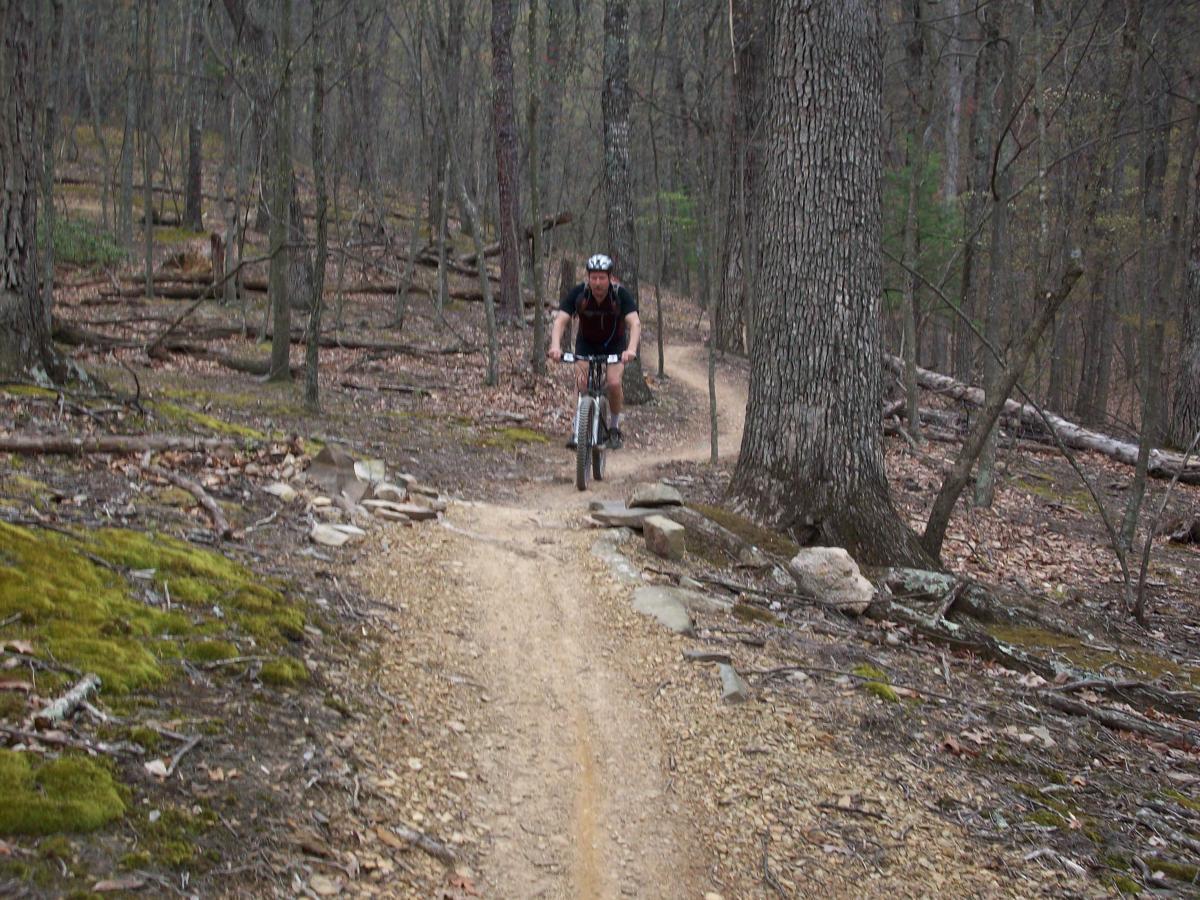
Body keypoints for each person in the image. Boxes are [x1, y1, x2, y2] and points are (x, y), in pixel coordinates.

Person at [547, 253, 641, 450]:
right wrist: (555, 346)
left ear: (610, 278)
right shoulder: (580, 294)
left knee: (614, 383)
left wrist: (631, 349)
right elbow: (560, 320)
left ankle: (614, 427)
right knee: (581, 383)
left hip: (614, 345)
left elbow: (634, 322)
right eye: (594, 277)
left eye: (602, 278)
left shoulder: (619, 294)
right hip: (586, 344)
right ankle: (578, 428)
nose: (598, 282)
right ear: (588, 278)